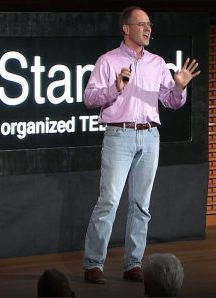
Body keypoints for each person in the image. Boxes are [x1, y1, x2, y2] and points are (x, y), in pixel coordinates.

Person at [82, 6, 200, 284]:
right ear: (126, 28)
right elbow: (89, 98)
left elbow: (171, 102)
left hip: (150, 137)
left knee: (141, 205)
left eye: (149, 24)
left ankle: (133, 263)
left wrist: (180, 86)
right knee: (109, 201)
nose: (148, 29)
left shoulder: (157, 63)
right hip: (119, 136)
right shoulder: (108, 61)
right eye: (142, 24)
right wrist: (115, 88)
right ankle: (93, 264)